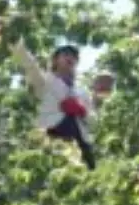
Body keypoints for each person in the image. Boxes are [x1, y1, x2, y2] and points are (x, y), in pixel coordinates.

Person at [5, 36, 98, 169]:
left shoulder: (81, 93)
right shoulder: (46, 82)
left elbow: (94, 122)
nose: (70, 58)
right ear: (55, 60)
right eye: (66, 54)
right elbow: (30, 65)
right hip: (52, 139)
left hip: (81, 144)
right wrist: (14, 41)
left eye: (74, 57)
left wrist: (81, 111)